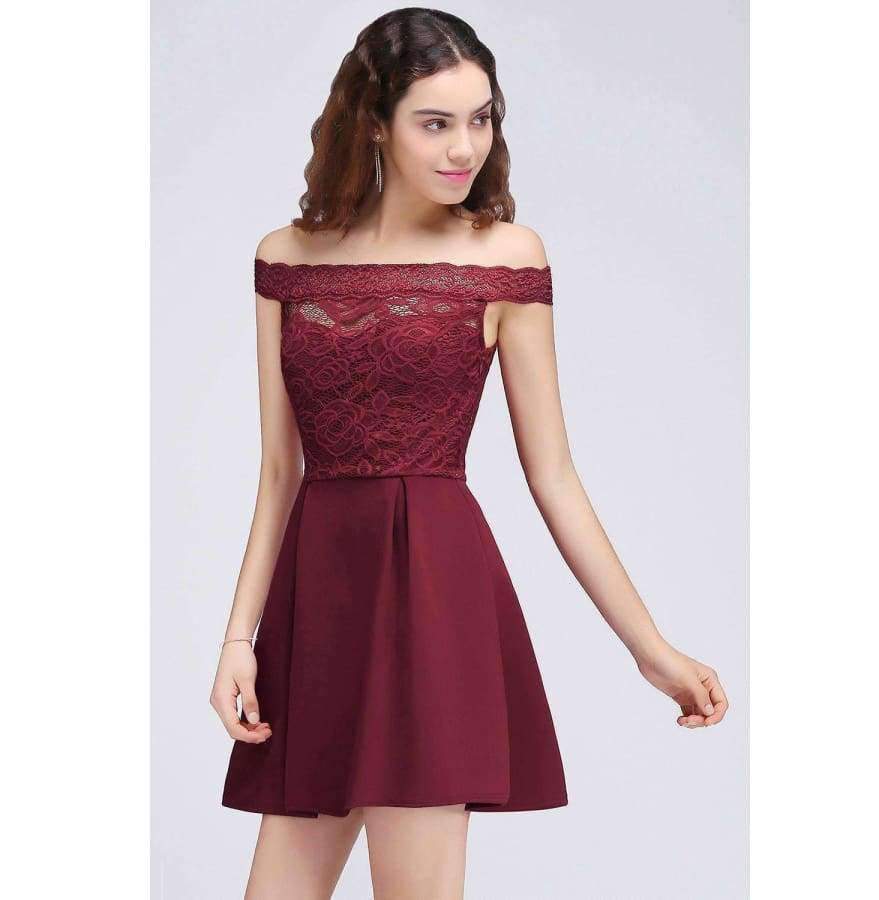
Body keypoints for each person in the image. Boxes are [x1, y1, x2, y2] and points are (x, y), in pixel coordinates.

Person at [209, 9, 729, 899]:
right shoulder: (285, 259)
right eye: (435, 122)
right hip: (317, 604)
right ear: (375, 122)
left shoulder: (506, 259)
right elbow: (279, 473)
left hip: (433, 599)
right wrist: (238, 639)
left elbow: (553, 476)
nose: (465, 148)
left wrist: (650, 649)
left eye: (481, 119)